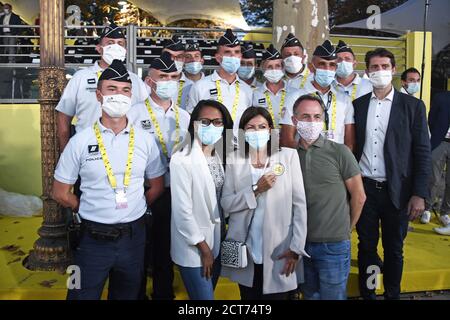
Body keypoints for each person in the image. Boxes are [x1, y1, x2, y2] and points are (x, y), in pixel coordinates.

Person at [52, 60, 166, 300]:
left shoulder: (145, 141)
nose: (119, 96)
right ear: (98, 95)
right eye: (111, 89)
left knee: (127, 295)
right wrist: (87, 208)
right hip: (90, 241)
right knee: (78, 293)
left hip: (134, 240)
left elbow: (156, 185)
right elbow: (60, 192)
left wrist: (135, 205)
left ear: (132, 95)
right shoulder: (80, 141)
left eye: (125, 90)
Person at [354, 48, 431, 300]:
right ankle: (369, 294)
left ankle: (392, 295)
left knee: (394, 249)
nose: (379, 71)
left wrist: (420, 194)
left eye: (384, 66)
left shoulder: (413, 106)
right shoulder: (358, 106)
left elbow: (422, 153)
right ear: (367, 72)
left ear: (394, 70)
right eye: (374, 67)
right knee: (366, 247)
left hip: (397, 192)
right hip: (364, 190)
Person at [221, 107, 308, 300]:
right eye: (250, 127)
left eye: (262, 126)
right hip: (245, 249)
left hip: (280, 249)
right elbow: (226, 204)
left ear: (270, 130)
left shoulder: (287, 156)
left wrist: (296, 248)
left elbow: (299, 206)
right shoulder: (235, 159)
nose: (257, 131)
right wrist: (256, 190)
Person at [128, 51, 190, 300]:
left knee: (165, 249)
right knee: (139, 250)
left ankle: (164, 295)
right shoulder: (133, 114)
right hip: (142, 192)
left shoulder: (185, 117)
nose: (169, 81)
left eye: (174, 76)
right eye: (163, 76)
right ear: (150, 80)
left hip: (173, 191)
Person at [291, 95, 365, 300]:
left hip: (333, 245)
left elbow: (359, 196)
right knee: (309, 295)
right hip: (300, 244)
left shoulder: (339, 152)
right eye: (305, 116)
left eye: (317, 116)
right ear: (294, 120)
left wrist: (346, 229)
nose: (312, 122)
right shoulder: (288, 155)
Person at [170, 99, 234, 300]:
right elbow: (182, 212)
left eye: (217, 122)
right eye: (204, 121)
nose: (211, 126)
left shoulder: (218, 154)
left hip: (217, 239)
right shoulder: (182, 158)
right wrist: (204, 248)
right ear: (194, 123)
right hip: (195, 247)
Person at [56, 23, 148, 151]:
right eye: (110, 42)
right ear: (99, 48)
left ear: (125, 50)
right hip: (87, 148)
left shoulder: (135, 81)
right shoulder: (80, 77)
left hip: (127, 149)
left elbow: (145, 114)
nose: (116, 47)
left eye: (120, 43)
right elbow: (64, 116)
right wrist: (66, 151)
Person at [280, 40, 355, 151]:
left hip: (335, 163)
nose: (327, 69)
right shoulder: (294, 97)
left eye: (332, 65)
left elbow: (350, 142)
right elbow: (286, 140)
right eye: (322, 64)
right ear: (311, 67)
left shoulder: (344, 100)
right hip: (304, 160)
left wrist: (341, 162)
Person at [187, 29, 252, 137]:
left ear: (240, 57)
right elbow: (192, 120)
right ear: (218, 58)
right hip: (209, 145)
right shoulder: (200, 86)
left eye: (236, 52)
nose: (233, 56)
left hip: (238, 146)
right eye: (227, 52)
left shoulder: (247, 90)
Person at [421, 91, 450, 235]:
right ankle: (426, 208)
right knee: (433, 178)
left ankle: (445, 212)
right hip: (440, 142)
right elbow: (431, 119)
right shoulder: (441, 97)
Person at [252, 44, 299, 128]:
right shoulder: (255, 94)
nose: (274, 70)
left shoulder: (294, 93)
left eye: (277, 66)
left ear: (283, 68)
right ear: (263, 69)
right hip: (266, 138)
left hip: (289, 137)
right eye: (269, 67)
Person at [178, 40, 205, 110]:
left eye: (196, 56)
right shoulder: (175, 83)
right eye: (188, 57)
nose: (193, 60)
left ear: (202, 61)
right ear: (183, 62)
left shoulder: (210, 83)